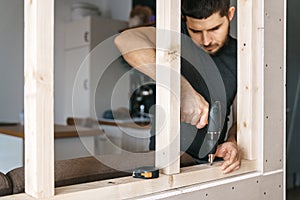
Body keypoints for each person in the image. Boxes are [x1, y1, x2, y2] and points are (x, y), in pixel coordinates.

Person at [115, 0, 240, 174]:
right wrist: (182, 88)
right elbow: (125, 40)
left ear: (230, 14)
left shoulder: (241, 55)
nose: (206, 40)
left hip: (212, 165)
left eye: (214, 29)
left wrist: (233, 140)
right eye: (196, 30)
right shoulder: (175, 38)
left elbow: (242, 117)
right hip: (162, 163)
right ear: (184, 20)